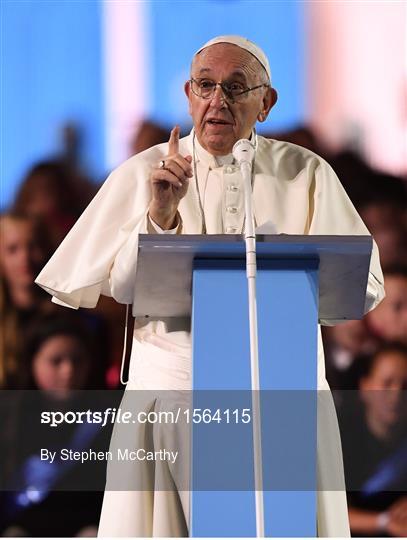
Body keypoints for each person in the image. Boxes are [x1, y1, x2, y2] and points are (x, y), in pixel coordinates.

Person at [35, 35, 385, 537]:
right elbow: (125, 289)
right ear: (188, 93)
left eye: (236, 88)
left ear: (266, 103)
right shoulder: (144, 173)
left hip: (280, 396)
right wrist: (159, 214)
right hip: (175, 394)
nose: (217, 101)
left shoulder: (306, 174)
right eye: (206, 86)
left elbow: (359, 290)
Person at [338, 343, 407, 537]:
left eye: (405, 385)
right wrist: (385, 522)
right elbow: (322, 509)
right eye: (387, 383)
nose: (396, 395)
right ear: (365, 387)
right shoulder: (339, 440)